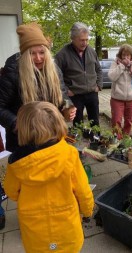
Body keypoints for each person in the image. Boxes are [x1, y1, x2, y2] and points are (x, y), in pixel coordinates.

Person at [4, 101, 94, 253]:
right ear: (57, 123)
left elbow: (11, 191)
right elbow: (83, 190)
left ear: (22, 128)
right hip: (67, 226)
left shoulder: (16, 161)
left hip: (34, 230)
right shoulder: (69, 154)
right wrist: (87, 211)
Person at [0, 22, 76, 153]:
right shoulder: (13, 72)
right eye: (32, 53)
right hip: (23, 141)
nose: (38, 58)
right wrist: (15, 123)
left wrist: (68, 107)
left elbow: (62, 95)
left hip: (51, 136)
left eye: (42, 52)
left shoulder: (54, 70)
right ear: (24, 55)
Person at [55, 22, 103, 127]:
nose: (85, 43)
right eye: (82, 40)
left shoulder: (92, 51)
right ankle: (78, 142)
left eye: (87, 40)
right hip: (75, 96)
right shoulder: (62, 54)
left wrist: (99, 85)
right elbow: (55, 76)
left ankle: (95, 141)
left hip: (92, 93)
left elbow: (98, 69)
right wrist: (66, 90)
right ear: (73, 38)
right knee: (78, 124)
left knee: (95, 122)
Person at [108, 44, 132, 138]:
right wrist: (121, 66)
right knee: (116, 121)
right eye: (123, 55)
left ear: (131, 56)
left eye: (128, 55)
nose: (126, 57)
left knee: (129, 121)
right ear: (120, 55)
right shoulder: (115, 63)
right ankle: (117, 140)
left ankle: (125, 140)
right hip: (117, 98)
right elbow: (111, 77)